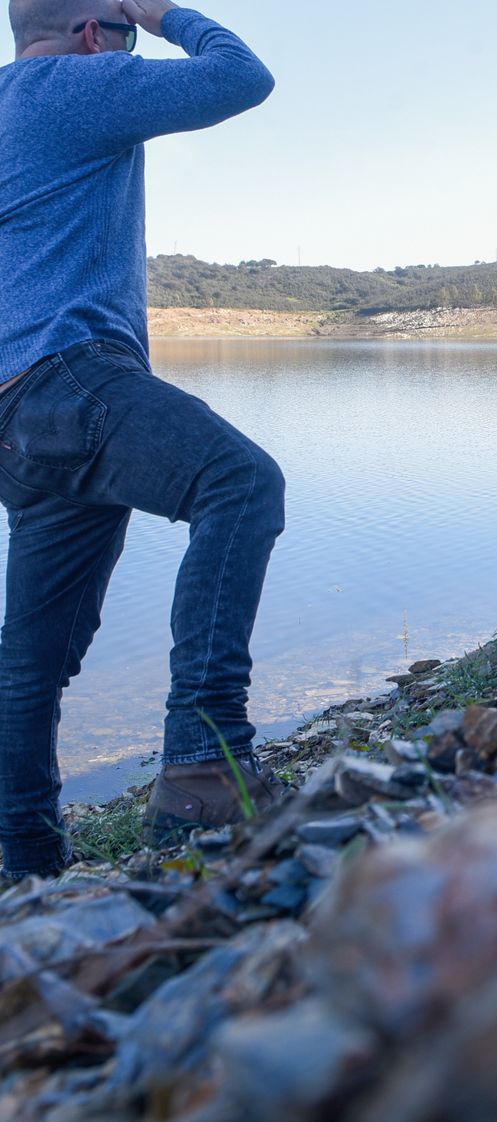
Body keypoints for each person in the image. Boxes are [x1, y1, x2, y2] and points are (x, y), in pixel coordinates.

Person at [0, 1, 282, 882]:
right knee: (240, 484)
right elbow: (242, 76)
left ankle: (27, 864)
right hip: (71, 381)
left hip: (14, 419)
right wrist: (156, 11)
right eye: (116, 29)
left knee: (31, 658)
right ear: (93, 33)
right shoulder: (73, 83)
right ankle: (204, 763)